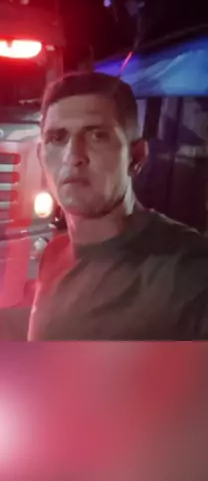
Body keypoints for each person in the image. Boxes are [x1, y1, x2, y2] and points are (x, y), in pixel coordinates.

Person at [28, 71, 208, 340]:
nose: (73, 156)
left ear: (136, 157)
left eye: (97, 136)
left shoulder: (188, 274)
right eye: (57, 138)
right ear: (40, 156)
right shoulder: (53, 255)